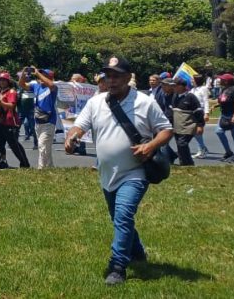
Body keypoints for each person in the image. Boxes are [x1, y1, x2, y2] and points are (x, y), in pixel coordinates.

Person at [64, 56, 173, 286]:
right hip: (107, 173)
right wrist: (72, 137)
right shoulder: (96, 102)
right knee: (118, 218)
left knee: (123, 215)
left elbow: (166, 130)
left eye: (117, 76)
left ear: (128, 77)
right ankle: (137, 252)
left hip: (135, 172)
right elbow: (79, 126)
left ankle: (117, 267)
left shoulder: (144, 102)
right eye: (108, 76)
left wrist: (150, 146)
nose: (111, 80)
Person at [0, 72, 30, 169]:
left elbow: (11, 106)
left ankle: (24, 163)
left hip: (9, 122)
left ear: (8, 81)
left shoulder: (11, 92)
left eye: (4, 80)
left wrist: (0, 101)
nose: (2, 82)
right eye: (0, 80)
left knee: (14, 144)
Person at [168, 77, 203, 166]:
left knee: (182, 144)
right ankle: (183, 163)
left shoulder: (190, 97)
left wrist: (200, 125)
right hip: (177, 126)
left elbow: (198, 111)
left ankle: (189, 163)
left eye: (175, 86)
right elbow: (172, 111)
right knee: (179, 145)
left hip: (188, 126)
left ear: (181, 86)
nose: (173, 87)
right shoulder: (175, 96)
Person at [30, 68, 58, 169]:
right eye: (41, 75)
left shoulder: (53, 87)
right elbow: (22, 85)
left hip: (49, 121)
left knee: (42, 145)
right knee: (46, 147)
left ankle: (41, 168)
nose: (41, 77)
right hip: (38, 121)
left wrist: (38, 73)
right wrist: (24, 74)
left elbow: (51, 85)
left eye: (45, 76)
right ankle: (50, 167)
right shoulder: (36, 86)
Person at [214, 73, 234, 163]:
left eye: (221, 79)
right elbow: (224, 100)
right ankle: (229, 152)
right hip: (224, 114)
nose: (219, 80)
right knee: (218, 131)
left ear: (226, 81)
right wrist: (216, 105)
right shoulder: (224, 89)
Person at [190, 74, 213, 159]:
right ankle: (202, 148)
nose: (191, 81)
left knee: (198, 132)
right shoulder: (192, 89)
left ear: (197, 80)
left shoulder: (203, 89)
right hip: (193, 112)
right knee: (194, 132)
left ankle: (202, 150)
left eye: (192, 79)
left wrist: (206, 113)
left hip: (200, 111)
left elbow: (206, 101)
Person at [17, 70, 37, 147]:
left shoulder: (32, 85)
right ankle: (14, 141)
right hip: (21, 110)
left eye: (27, 77)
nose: (26, 78)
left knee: (33, 127)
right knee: (17, 127)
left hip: (30, 109)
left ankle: (36, 142)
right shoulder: (18, 86)